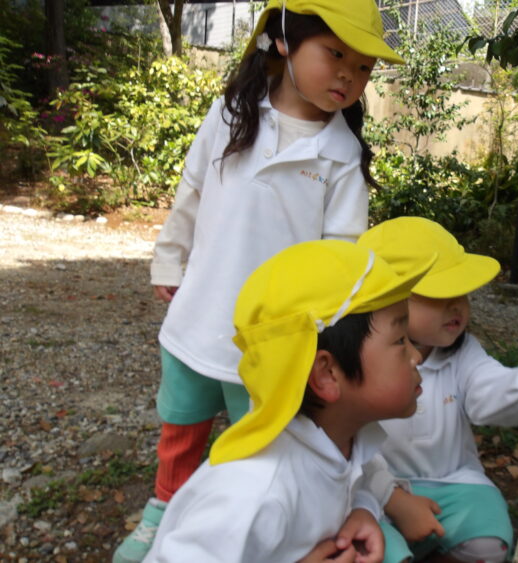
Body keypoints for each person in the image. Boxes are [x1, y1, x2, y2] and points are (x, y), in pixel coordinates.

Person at [114, 1, 404, 561]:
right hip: (202, 308)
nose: (349, 75)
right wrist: (169, 260)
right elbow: (193, 188)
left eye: (364, 67)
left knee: (261, 441)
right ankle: (165, 505)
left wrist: (328, 325)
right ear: (286, 40)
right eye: (335, 54)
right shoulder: (232, 112)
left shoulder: (341, 155)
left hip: (275, 338)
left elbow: (341, 256)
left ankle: (253, 524)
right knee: (181, 420)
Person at [143, 239, 434, 562]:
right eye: (400, 341)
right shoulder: (253, 492)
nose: (417, 356)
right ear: (327, 374)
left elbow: (353, 479)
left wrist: (362, 510)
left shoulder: (343, 439)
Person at [357, 217, 518, 563]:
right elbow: (350, 445)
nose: (457, 305)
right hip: (377, 493)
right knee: (374, 547)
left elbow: (490, 391)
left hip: (451, 485)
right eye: (441, 295)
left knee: (488, 540)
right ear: (386, 301)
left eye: (462, 292)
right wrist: (393, 499)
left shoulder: (463, 354)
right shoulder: (361, 364)